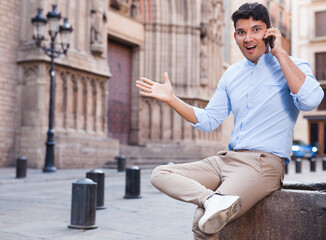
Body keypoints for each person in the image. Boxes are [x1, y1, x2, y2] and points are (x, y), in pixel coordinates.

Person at [136, 2, 324, 239]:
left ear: (269, 31)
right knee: (160, 174)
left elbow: (310, 101)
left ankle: (214, 206)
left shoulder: (292, 65)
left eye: (256, 29)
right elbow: (207, 120)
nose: (248, 38)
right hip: (226, 160)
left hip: (263, 164)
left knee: (202, 222)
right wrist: (172, 99)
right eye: (241, 32)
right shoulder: (232, 74)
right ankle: (213, 201)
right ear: (235, 35)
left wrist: (280, 53)